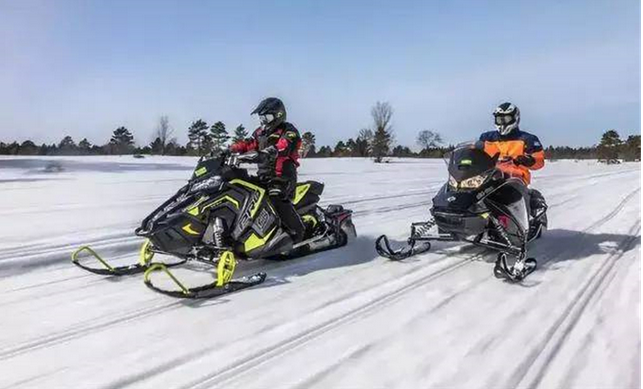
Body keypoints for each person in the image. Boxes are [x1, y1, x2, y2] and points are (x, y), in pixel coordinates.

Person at [229, 97, 306, 243]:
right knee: (241, 190)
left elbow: (285, 145)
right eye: (261, 117)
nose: (263, 121)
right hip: (263, 176)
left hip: (282, 177)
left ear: (278, 115)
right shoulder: (259, 133)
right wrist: (230, 150)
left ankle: (298, 232)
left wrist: (269, 151)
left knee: (276, 197)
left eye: (267, 117)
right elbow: (247, 144)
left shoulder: (288, 130)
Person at [478, 102, 546, 217]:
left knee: (515, 196)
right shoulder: (487, 138)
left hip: (515, 178)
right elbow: (476, 152)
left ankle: (527, 220)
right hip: (489, 177)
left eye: (506, 119)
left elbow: (539, 160)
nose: (502, 123)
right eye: (500, 119)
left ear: (515, 119)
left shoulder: (528, 139)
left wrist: (529, 160)